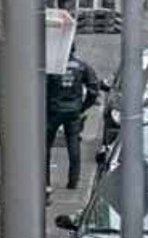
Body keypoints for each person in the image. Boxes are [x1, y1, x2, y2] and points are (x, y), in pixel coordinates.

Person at [45, 48, 100, 189]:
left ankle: (45, 181)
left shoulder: (51, 67)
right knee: (74, 145)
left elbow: (40, 88)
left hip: (53, 110)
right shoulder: (82, 66)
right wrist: (83, 106)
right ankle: (73, 180)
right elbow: (94, 88)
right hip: (73, 110)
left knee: (45, 147)